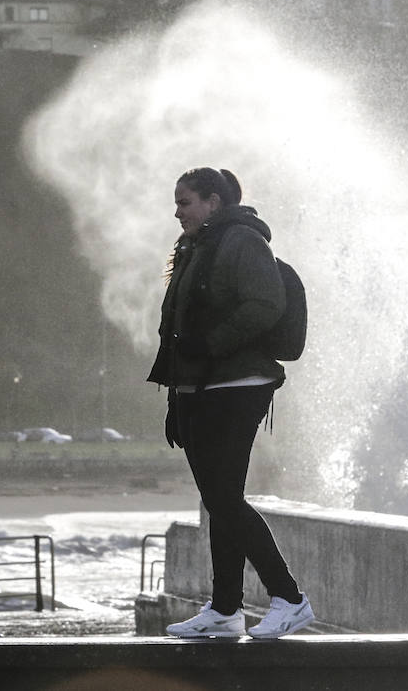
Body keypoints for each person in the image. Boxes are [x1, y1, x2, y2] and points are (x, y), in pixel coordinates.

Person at [147, 167, 315, 639]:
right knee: (220, 500)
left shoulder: (242, 240)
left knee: (222, 498)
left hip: (238, 385)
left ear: (213, 202)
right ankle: (225, 610)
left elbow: (266, 304)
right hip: (201, 389)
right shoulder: (194, 247)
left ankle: (289, 598)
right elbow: (179, 328)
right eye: (177, 203)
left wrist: (212, 345)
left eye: (185, 202)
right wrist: (177, 395)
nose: (177, 212)